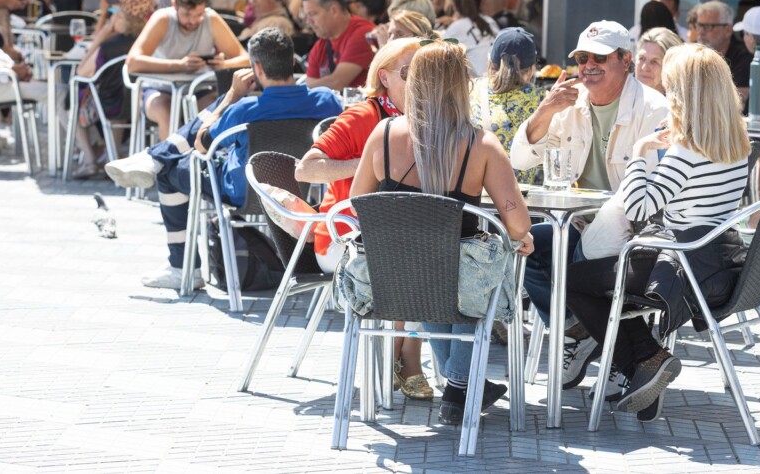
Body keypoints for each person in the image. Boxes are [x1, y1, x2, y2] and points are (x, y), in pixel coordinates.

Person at [342, 40, 534, 424]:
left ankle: (459, 381)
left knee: (428, 261)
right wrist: (519, 234)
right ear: (462, 86)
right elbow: (518, 224)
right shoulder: (480, 144)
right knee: (483, 262)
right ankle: (461, 387)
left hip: (389, 281)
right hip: (456, 286)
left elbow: (357, 204)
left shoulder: (382, 134)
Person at [565, 43, 751, 422]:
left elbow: (638, 207)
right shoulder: (737, 142)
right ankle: (641, 368)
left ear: (685, 92)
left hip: (679, 268)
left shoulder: (687, 147)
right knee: (606, 279)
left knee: (573, 281)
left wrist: (640, 151)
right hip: (715, 263)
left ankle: (645, 360)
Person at [106, 28, 342, 289]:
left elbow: (201, 143)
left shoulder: (243, 109)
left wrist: (231, 95)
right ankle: (155, 157)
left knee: (169, 174)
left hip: (241, 193)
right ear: (292, 62)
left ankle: (180, 265)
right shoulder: (327, 101)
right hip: (299, 195)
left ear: (257, 68)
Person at [509, 20, 668, 388]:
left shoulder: (654, 108)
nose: (587, 66)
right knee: (525, 242)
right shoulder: (567, 103)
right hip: (578, 222)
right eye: (582, 58)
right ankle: (579, 332)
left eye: (599, 57)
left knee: (576, 265)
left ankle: (612, 347)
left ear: (625, 61)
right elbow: (519, 160)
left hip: (633, 229)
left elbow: (655, 190)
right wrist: (542, 112)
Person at [296, 38, 430, 399]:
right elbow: (306, 169)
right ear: (384, 77)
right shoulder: (363, 116)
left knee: (433, 252)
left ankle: (404, 352)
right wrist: (370, 165)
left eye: (423, 71)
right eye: (408, 72)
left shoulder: (425, 120)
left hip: (393, 234)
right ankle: (407, 356)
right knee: (411, 258)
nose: (419, 80)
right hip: (342, 239)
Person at [126, 0, 248, 138]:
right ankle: (170, 162)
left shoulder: (210, 18)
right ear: (174, 5)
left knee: (219, 111)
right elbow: (132, 62)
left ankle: (205, 161)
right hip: (159, 90)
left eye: (198, 14)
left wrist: (223, 65)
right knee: (166, 112)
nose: (193, 21)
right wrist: (179, 65)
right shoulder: (162, 18)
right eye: (187, 15)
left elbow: (245, 59)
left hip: (198, 90)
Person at [68, 0, 152, 178]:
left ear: (126, 18)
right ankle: (110, 156)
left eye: (116, 14)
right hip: (139, 106)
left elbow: (81, 71)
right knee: (114, 101)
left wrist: (102, 35)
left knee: (70, 101)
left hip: (108, 105)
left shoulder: (109, 46)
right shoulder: (147, 45)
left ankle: (90, 159)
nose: (113, 19)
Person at [471, 27, 548, 184]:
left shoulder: (471, 90)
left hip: (478, 197)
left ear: (490, 63)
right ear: (532, 69)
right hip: (525, 199)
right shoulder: (542, 101)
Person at [301, 0, 376, 90]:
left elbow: (337, 82)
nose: (308, 21)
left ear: (334, 10)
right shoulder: (321, 44)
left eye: (312, 14)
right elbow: (311, 84)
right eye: (307, 15)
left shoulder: (363, 33)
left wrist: (300, 88)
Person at [695, 0, 753, 106]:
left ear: (728, 30)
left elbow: (738, 100)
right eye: (699, 25)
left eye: (708, 26)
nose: (701, 32)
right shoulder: (691, 53)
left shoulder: (743, 56)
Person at [444, 0, 499, 78]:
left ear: (454, 7)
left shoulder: (455, 28)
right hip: (499, 80)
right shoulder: (491, 22)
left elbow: (443, 60)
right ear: (481, 3)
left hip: (478, 84)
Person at [634, 27, 682, 94]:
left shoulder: (676, 104)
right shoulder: (622, 99)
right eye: (642, 58)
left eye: (654, 62)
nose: (644, 68)